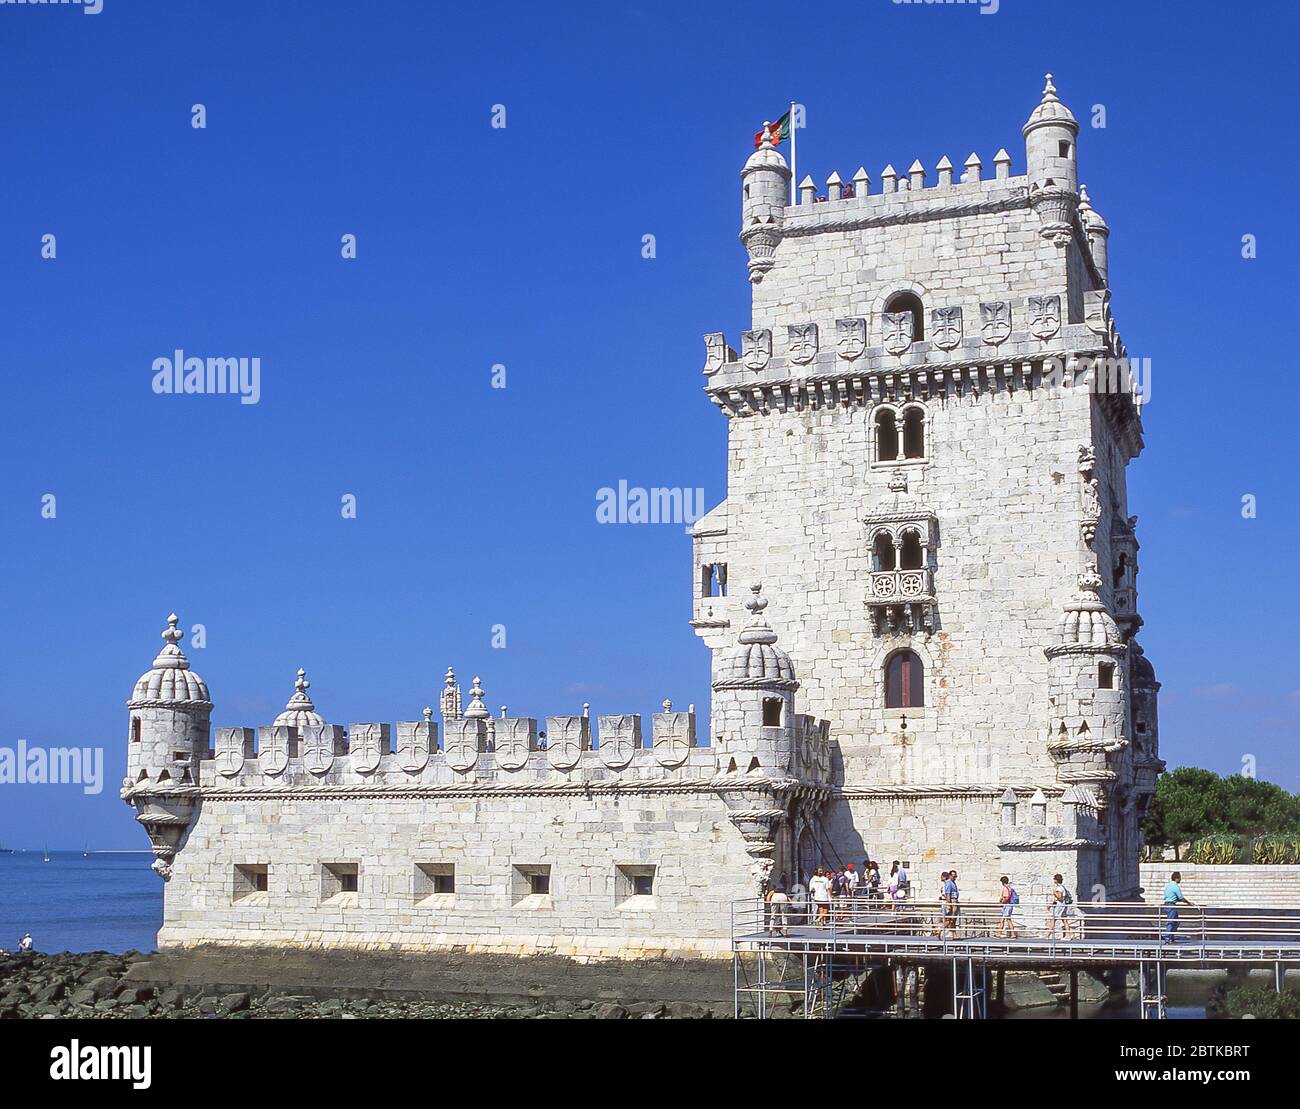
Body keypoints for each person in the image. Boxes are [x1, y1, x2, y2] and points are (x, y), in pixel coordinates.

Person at [1163, 871, 1192, 944]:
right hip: (1171, 905)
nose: (1180, 880)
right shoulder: (1175, 886)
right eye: (1180, 878)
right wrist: (1189, 903)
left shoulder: (1169, 885)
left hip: (1167, 904)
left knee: (1175, 921)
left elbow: (1172, 896)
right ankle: (1168, 938)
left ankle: (1171, 937)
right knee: (1171, 921)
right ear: (1176, 878)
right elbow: (1181, 897)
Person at [1048, 873, 1074, 940]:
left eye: (1054, 879)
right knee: (1064, 920)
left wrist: (1055, 893)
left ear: (1056, 880)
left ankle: (1048, 935)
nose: (1053, 880)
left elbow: (1060, 897)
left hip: (1060, 905)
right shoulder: (1062, 887)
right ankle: (1068, 935)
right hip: (1063, 905)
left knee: (1053, 919)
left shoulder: (1059, 888)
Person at [941, 869, 960, 939]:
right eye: (953, 876)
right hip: (952, 901)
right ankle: (939, 930)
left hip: (954, 901)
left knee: (953, 919)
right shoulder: (949, 883)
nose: (955, 878)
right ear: (950, 876)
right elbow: (948, 894)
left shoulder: (952, 882)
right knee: (951, 919)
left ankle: (954, 935)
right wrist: (949, 905)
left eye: (956, 876)